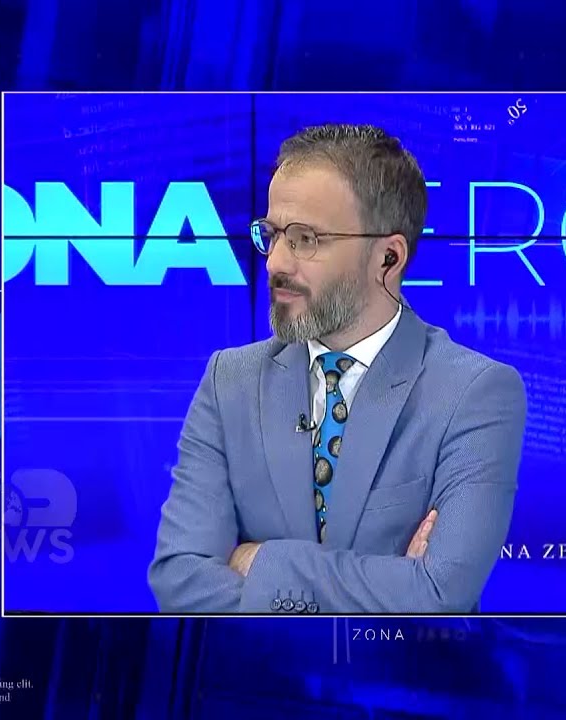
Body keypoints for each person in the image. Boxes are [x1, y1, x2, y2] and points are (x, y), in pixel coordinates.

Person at [149, 124, 526, 614]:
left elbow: (440, 594)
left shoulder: (474, 393)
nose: (275, 263)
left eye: (305, 239)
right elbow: (180, 580)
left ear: (387, 258)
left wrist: (256, 560)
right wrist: (392, 580)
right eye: (271, 235)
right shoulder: (230, 382)